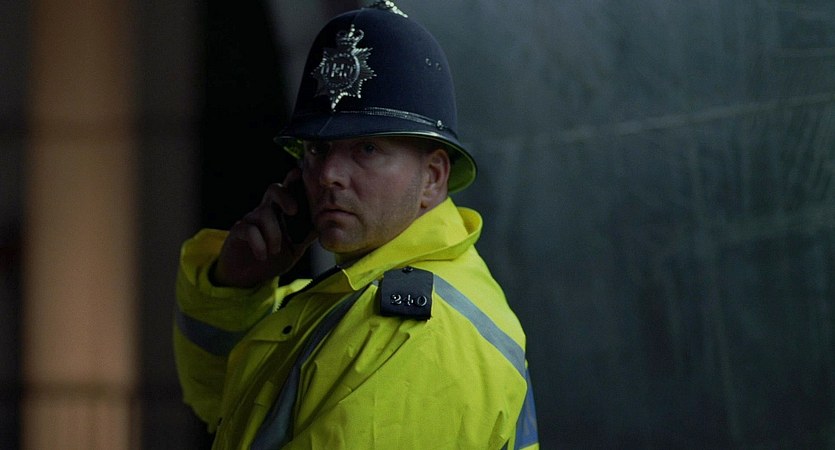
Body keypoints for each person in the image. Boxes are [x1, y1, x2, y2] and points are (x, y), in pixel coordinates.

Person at [173, 2, 539, 448]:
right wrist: (235, 287)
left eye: (366, 149)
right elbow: (222, 403)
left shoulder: (418, 331)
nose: (328, 175)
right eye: (317, 149)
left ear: (433, 177)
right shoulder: (342, 299)